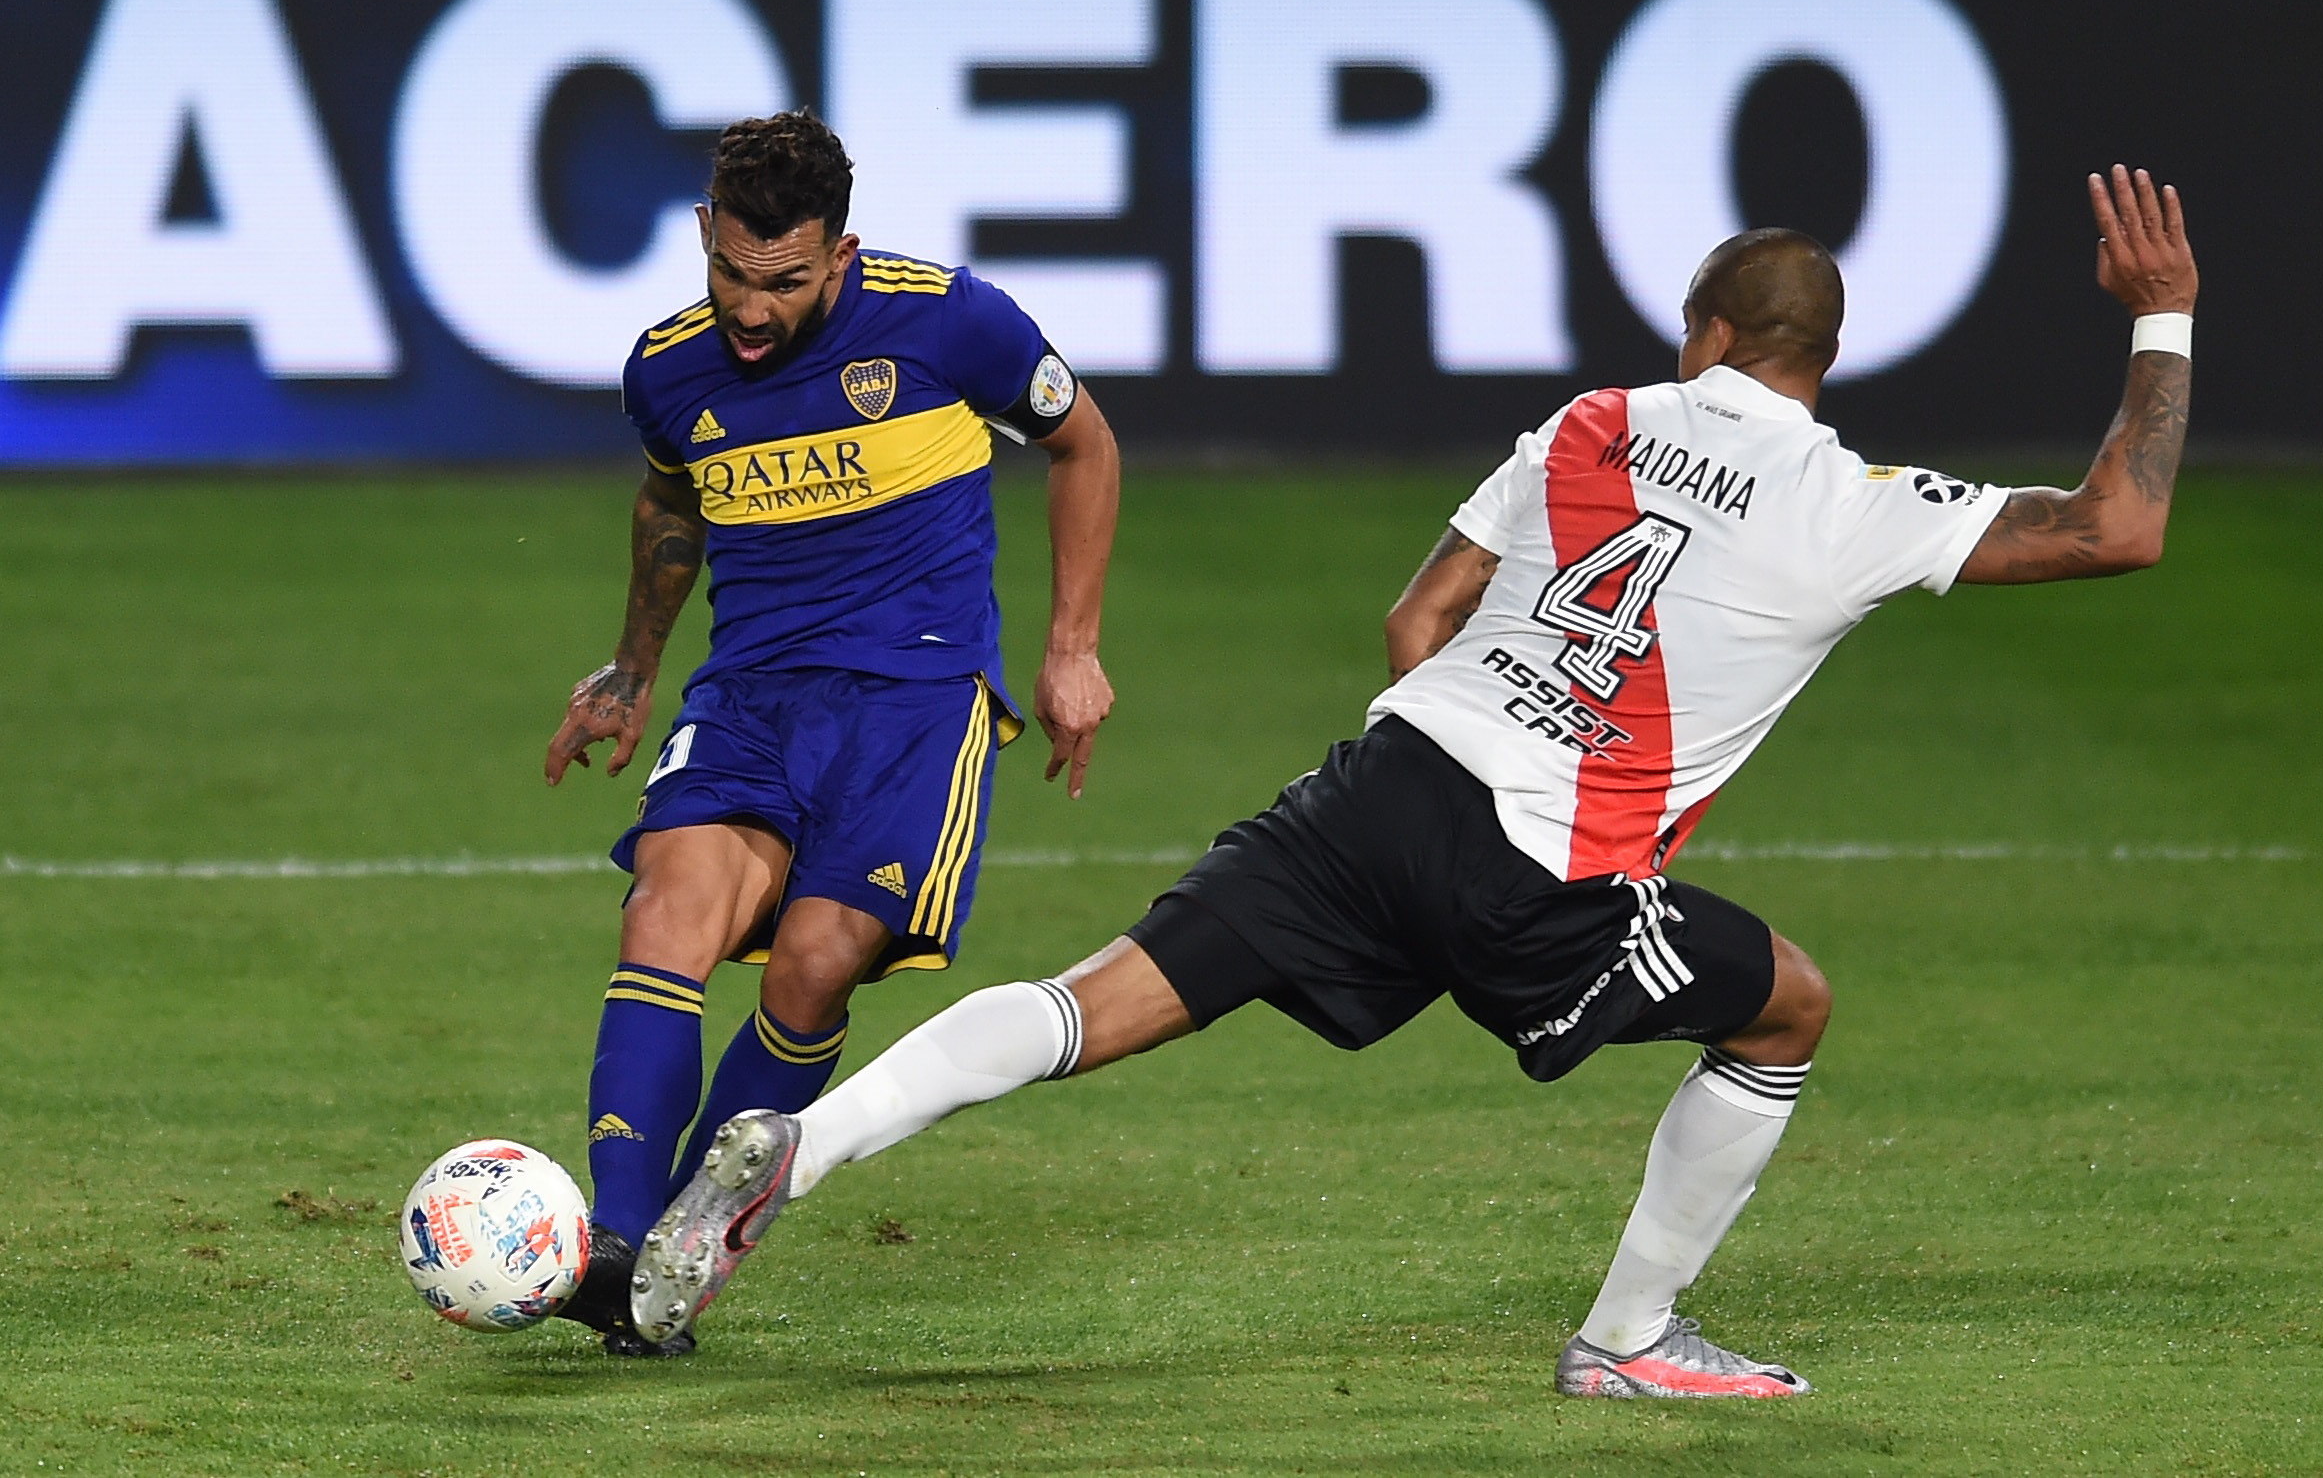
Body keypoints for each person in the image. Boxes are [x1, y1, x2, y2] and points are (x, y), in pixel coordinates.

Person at [631, 168, 2196, 1395]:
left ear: (1702, 336)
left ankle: (804, 1146)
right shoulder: (1855, 501)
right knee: (1783, 1000)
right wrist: (2159, 319)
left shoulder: (1589, 422)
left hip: (1390, 776)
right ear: (1813, 358)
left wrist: (1447, 799)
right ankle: (1629, 1339)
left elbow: (1414, 622)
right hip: (1545, 865)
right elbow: (2116, 526)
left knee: (1101, 996)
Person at [540, 111, 1121, 1355]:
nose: (750, 310)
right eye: (731, 276)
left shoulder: (950, 321)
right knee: (663, 909)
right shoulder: (667, 368)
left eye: (784, 282)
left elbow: (1084, 441)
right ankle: (622, 1248)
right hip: (747, 691)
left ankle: (690, 1244)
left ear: (840, 253)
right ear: (704, 235)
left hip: (915, 703)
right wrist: (633, 665)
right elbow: (669, 497)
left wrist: (1068, 647)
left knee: (812, 967)